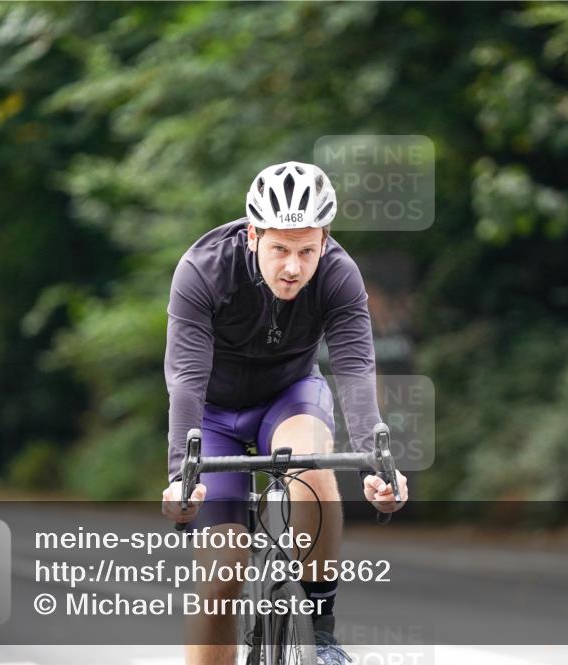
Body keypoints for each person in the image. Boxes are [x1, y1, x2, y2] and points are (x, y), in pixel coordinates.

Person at [160, 161, 409, 665]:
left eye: (306, 250)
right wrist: (179, 477)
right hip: (213, 414)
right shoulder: (203, 269)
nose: (293, 267)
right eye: (279, 248)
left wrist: (378, 465)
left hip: (289, 396)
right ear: (253, 235)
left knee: (311, 465)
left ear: (324, 240)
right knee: (221, 577)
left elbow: (356, 369)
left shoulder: (338, 273)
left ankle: (319, 631)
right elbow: (186, 378)